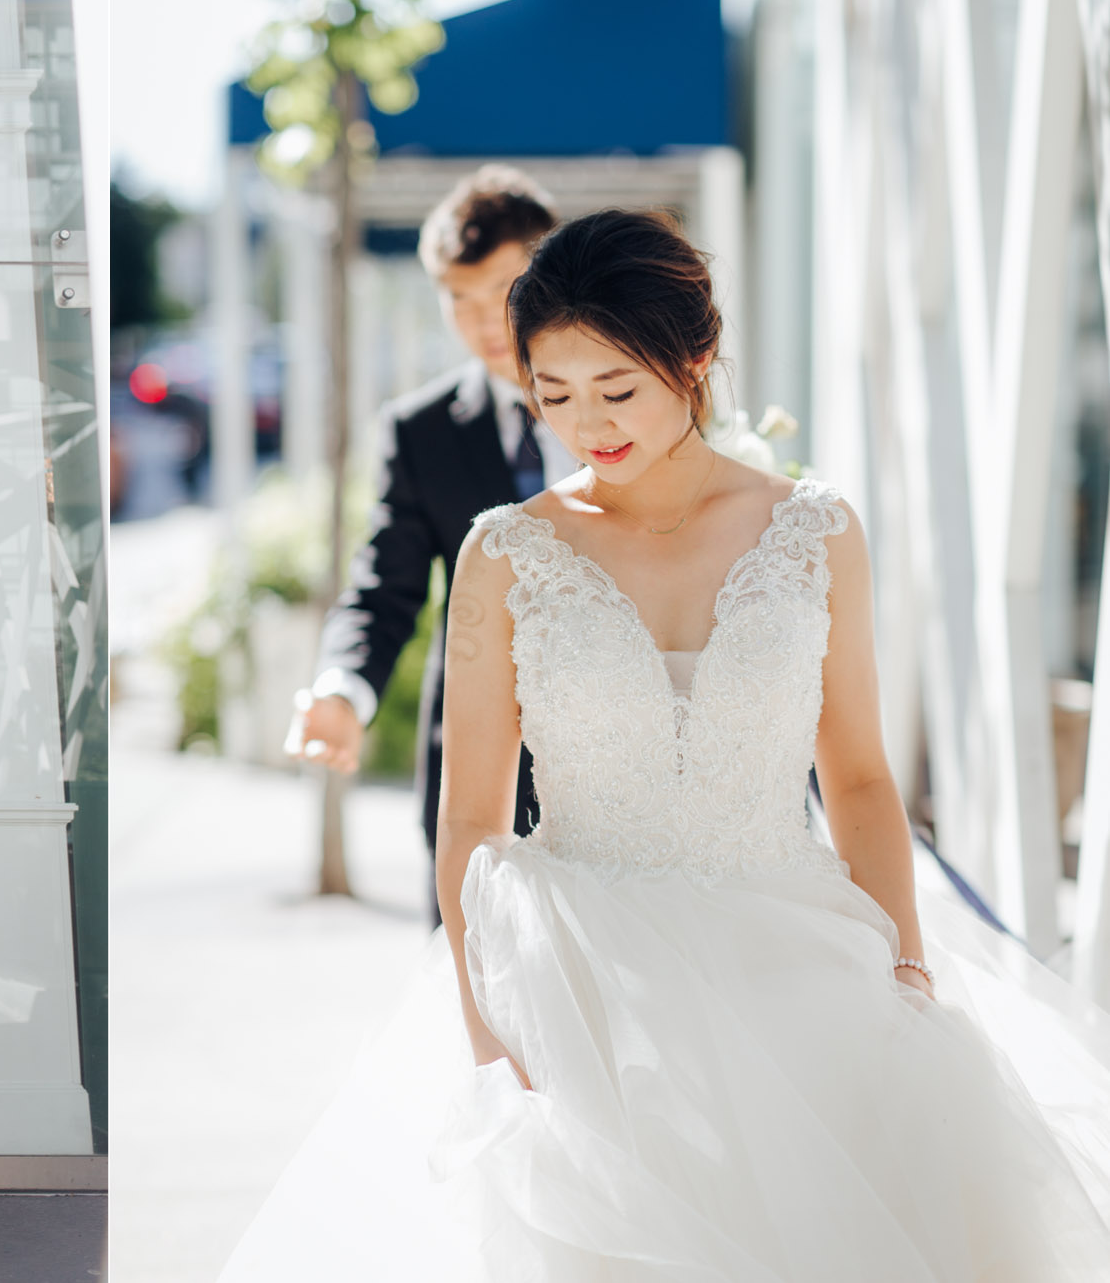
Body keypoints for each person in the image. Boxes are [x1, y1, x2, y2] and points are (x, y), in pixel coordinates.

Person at [222, 210, 1110, 1279]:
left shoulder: (816, 531)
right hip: (588, 992)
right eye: (554, 394)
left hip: (799, 971)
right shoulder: (507, 553)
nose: (586, 422)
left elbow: (862, 780)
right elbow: (471, 820)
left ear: (695, 356)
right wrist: (486, 1029)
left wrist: (906, 968)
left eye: (616, 388)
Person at [298, 165, 573, 910]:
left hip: (628, 776)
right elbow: (382, 588)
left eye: (504, 291)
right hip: (479, 785)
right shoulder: (418, 432)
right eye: (458, 298)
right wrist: (341, 689)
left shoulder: (631, 403)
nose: (484, 323)